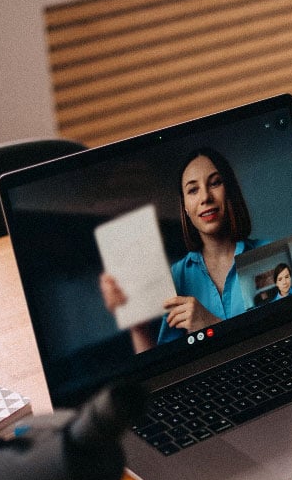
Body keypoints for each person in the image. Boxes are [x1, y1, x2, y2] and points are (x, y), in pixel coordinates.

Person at [101, 147, 265, 351]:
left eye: (215, 183)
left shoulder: (267, 254)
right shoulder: (175, 277)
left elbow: (282, 336)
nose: (205, 197)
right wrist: (137, 327)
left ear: (230, 191)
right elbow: (162, 368)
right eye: (193, 190)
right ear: (185, 207)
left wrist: (212, 326)